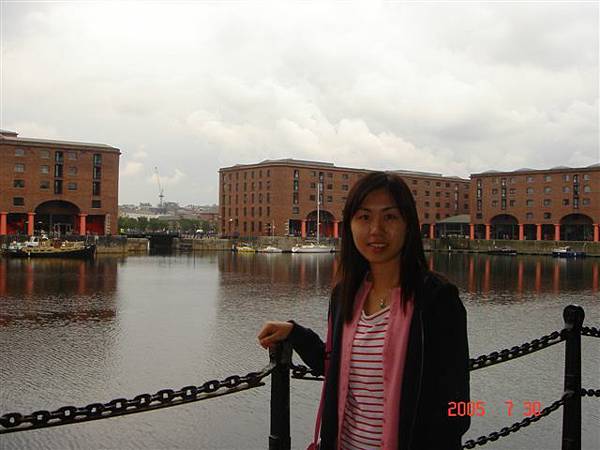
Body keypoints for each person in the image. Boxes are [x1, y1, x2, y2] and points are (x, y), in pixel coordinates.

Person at [258, 171, 470, 450]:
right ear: (350, 225)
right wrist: (296, 334)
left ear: (409, 225)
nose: (376, 230)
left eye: (390, 217)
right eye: (364, 217)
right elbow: (338, 367)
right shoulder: (346, 295)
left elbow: (457, 405)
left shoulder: (436, 300)